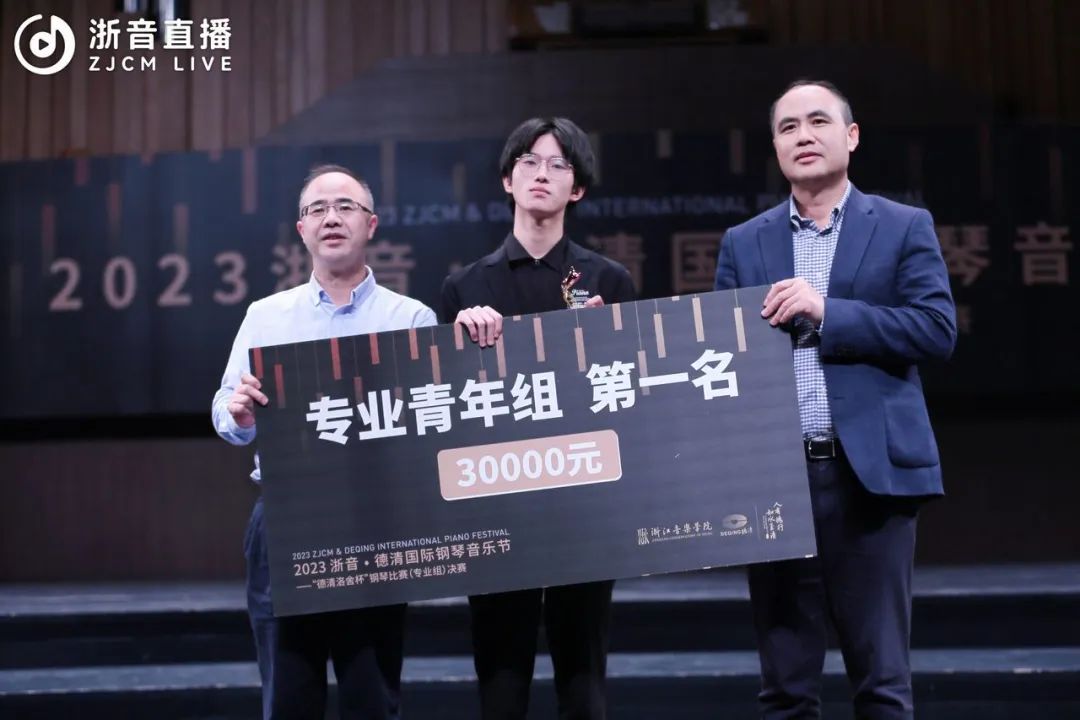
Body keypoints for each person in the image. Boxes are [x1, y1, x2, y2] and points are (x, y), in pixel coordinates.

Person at [714, 80, 957, 719]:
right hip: (777, 483)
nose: (803, 135)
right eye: (788, 127)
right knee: (785, 690)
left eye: (819, 121)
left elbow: (936, 329)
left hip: (868, 479)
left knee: (881, 683)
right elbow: (721, 357)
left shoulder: (902, 226)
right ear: (776, 147)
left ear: (850, 137)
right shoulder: (744, 241)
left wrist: (828, 313)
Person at [212, 164, 437, 720]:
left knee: (372, 695)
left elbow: (430, 427)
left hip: (377, 522)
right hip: (287, 518)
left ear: (371, 224)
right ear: (302, 229)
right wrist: (239, 412)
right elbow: (226, 409)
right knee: (289, 696)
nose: (331, 218)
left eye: (345, 207)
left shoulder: (410, 318)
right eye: (317, 209)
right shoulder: (266, 317)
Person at [440, 117, 636, 719]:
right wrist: (459, 340)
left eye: (558, 164)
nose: (541, 173)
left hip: (585, 499)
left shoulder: (608, 282)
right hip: (499, 503)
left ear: (578, 188)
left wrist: (602, 342)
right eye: (528, 161)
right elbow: (448, 407)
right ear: (508, 180)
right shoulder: (465, 287)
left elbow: (632, 399)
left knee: (584, 682)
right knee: (501, 682)